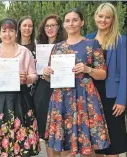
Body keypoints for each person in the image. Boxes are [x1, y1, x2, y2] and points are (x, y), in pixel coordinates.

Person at [43, 8, 110, 156]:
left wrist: (87, 69)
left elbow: (103, 74)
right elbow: (51, 78)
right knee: (64, 145)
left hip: (85, 98)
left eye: (75, 20)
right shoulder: (57, 47)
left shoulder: (92, 44)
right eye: (67, 20)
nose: (71, 23)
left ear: (82, 23)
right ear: (64, 25)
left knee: (88, 146)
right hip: (62, 99)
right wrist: (46, 73)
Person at [0, 18, 40, 156]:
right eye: (4, 31)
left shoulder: (25, 52)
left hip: (20, 100)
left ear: (16, 32)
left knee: (21, 143)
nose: (7, 34)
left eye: (11, 30)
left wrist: (26, 78)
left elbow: (34, 75)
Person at [85, 3, 127, 156]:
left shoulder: (121, 41)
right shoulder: (87, 39)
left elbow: (125, 73)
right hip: (90, 96)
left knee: (113, 144)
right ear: (95, 16)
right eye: (100, 16)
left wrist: (122, 100)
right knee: (95, 143)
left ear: (113, 19)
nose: (103, 20)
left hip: (112, 97)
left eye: (107, 17)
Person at [33, 14, 66, 157]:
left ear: (59, 27)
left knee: (62, 130)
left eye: (53, 25)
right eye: (47, 26)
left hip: (61, 90)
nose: (50, 28)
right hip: (43, 90)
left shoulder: (65, 45)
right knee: (46, 132)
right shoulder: (39, 46)